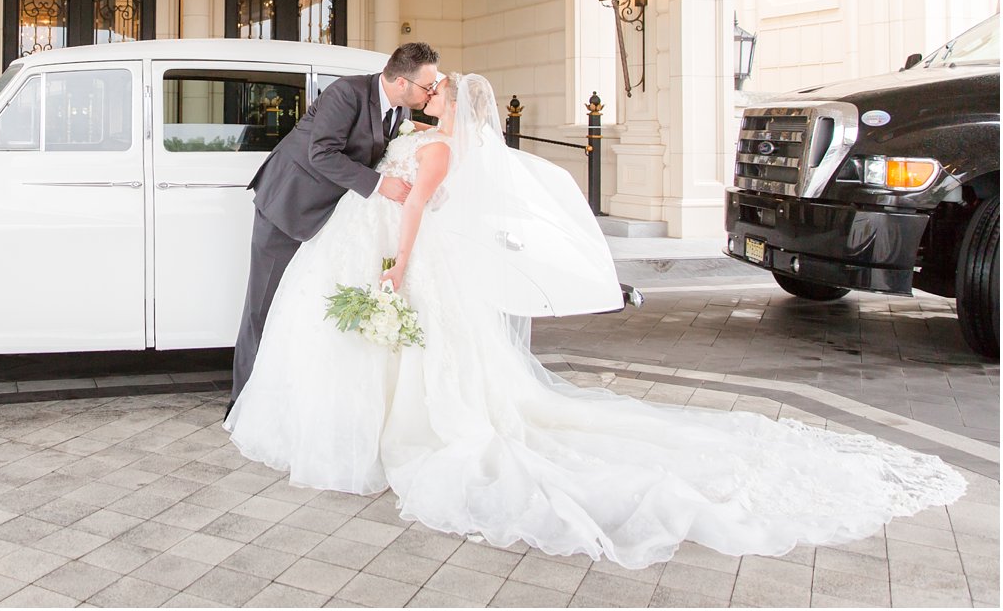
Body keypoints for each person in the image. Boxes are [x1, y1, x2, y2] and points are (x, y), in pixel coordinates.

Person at [227, 72, 966, 569]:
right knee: (407, 352)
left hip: (411, 257)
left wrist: (396, 266)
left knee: (430, 364)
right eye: (426, 87)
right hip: (389, 249)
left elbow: (416, 205)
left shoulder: (442, 144)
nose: (425, 95)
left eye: (436, 90)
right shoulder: (425, 131)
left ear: (448, 103)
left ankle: (388, 430)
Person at [231, 42, 439, 408]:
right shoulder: (347, 93)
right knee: (264, 306)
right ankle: (244, 401)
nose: (431, 92)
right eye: (427, 85)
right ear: (403, 82)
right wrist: (380, 185)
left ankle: (288, 394)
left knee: (299, 308)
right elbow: (321, 152)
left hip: (332, 219)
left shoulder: (399, 110)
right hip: (289, 206)